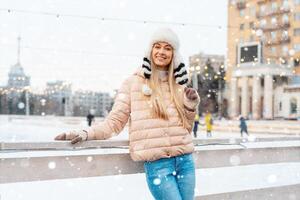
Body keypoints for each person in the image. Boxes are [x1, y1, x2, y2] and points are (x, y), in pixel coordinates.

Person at [54, 28, 200, 200]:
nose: (161, 52)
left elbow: (186, 128)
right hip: (159, 165)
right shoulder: (132, 83)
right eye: (157, 46)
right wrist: (86, 133)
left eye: (167, 48)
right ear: (150, 50)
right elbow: (114, 122)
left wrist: (190, 107)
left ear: (174, 54)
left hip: (185, 162)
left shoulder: (179, 85)